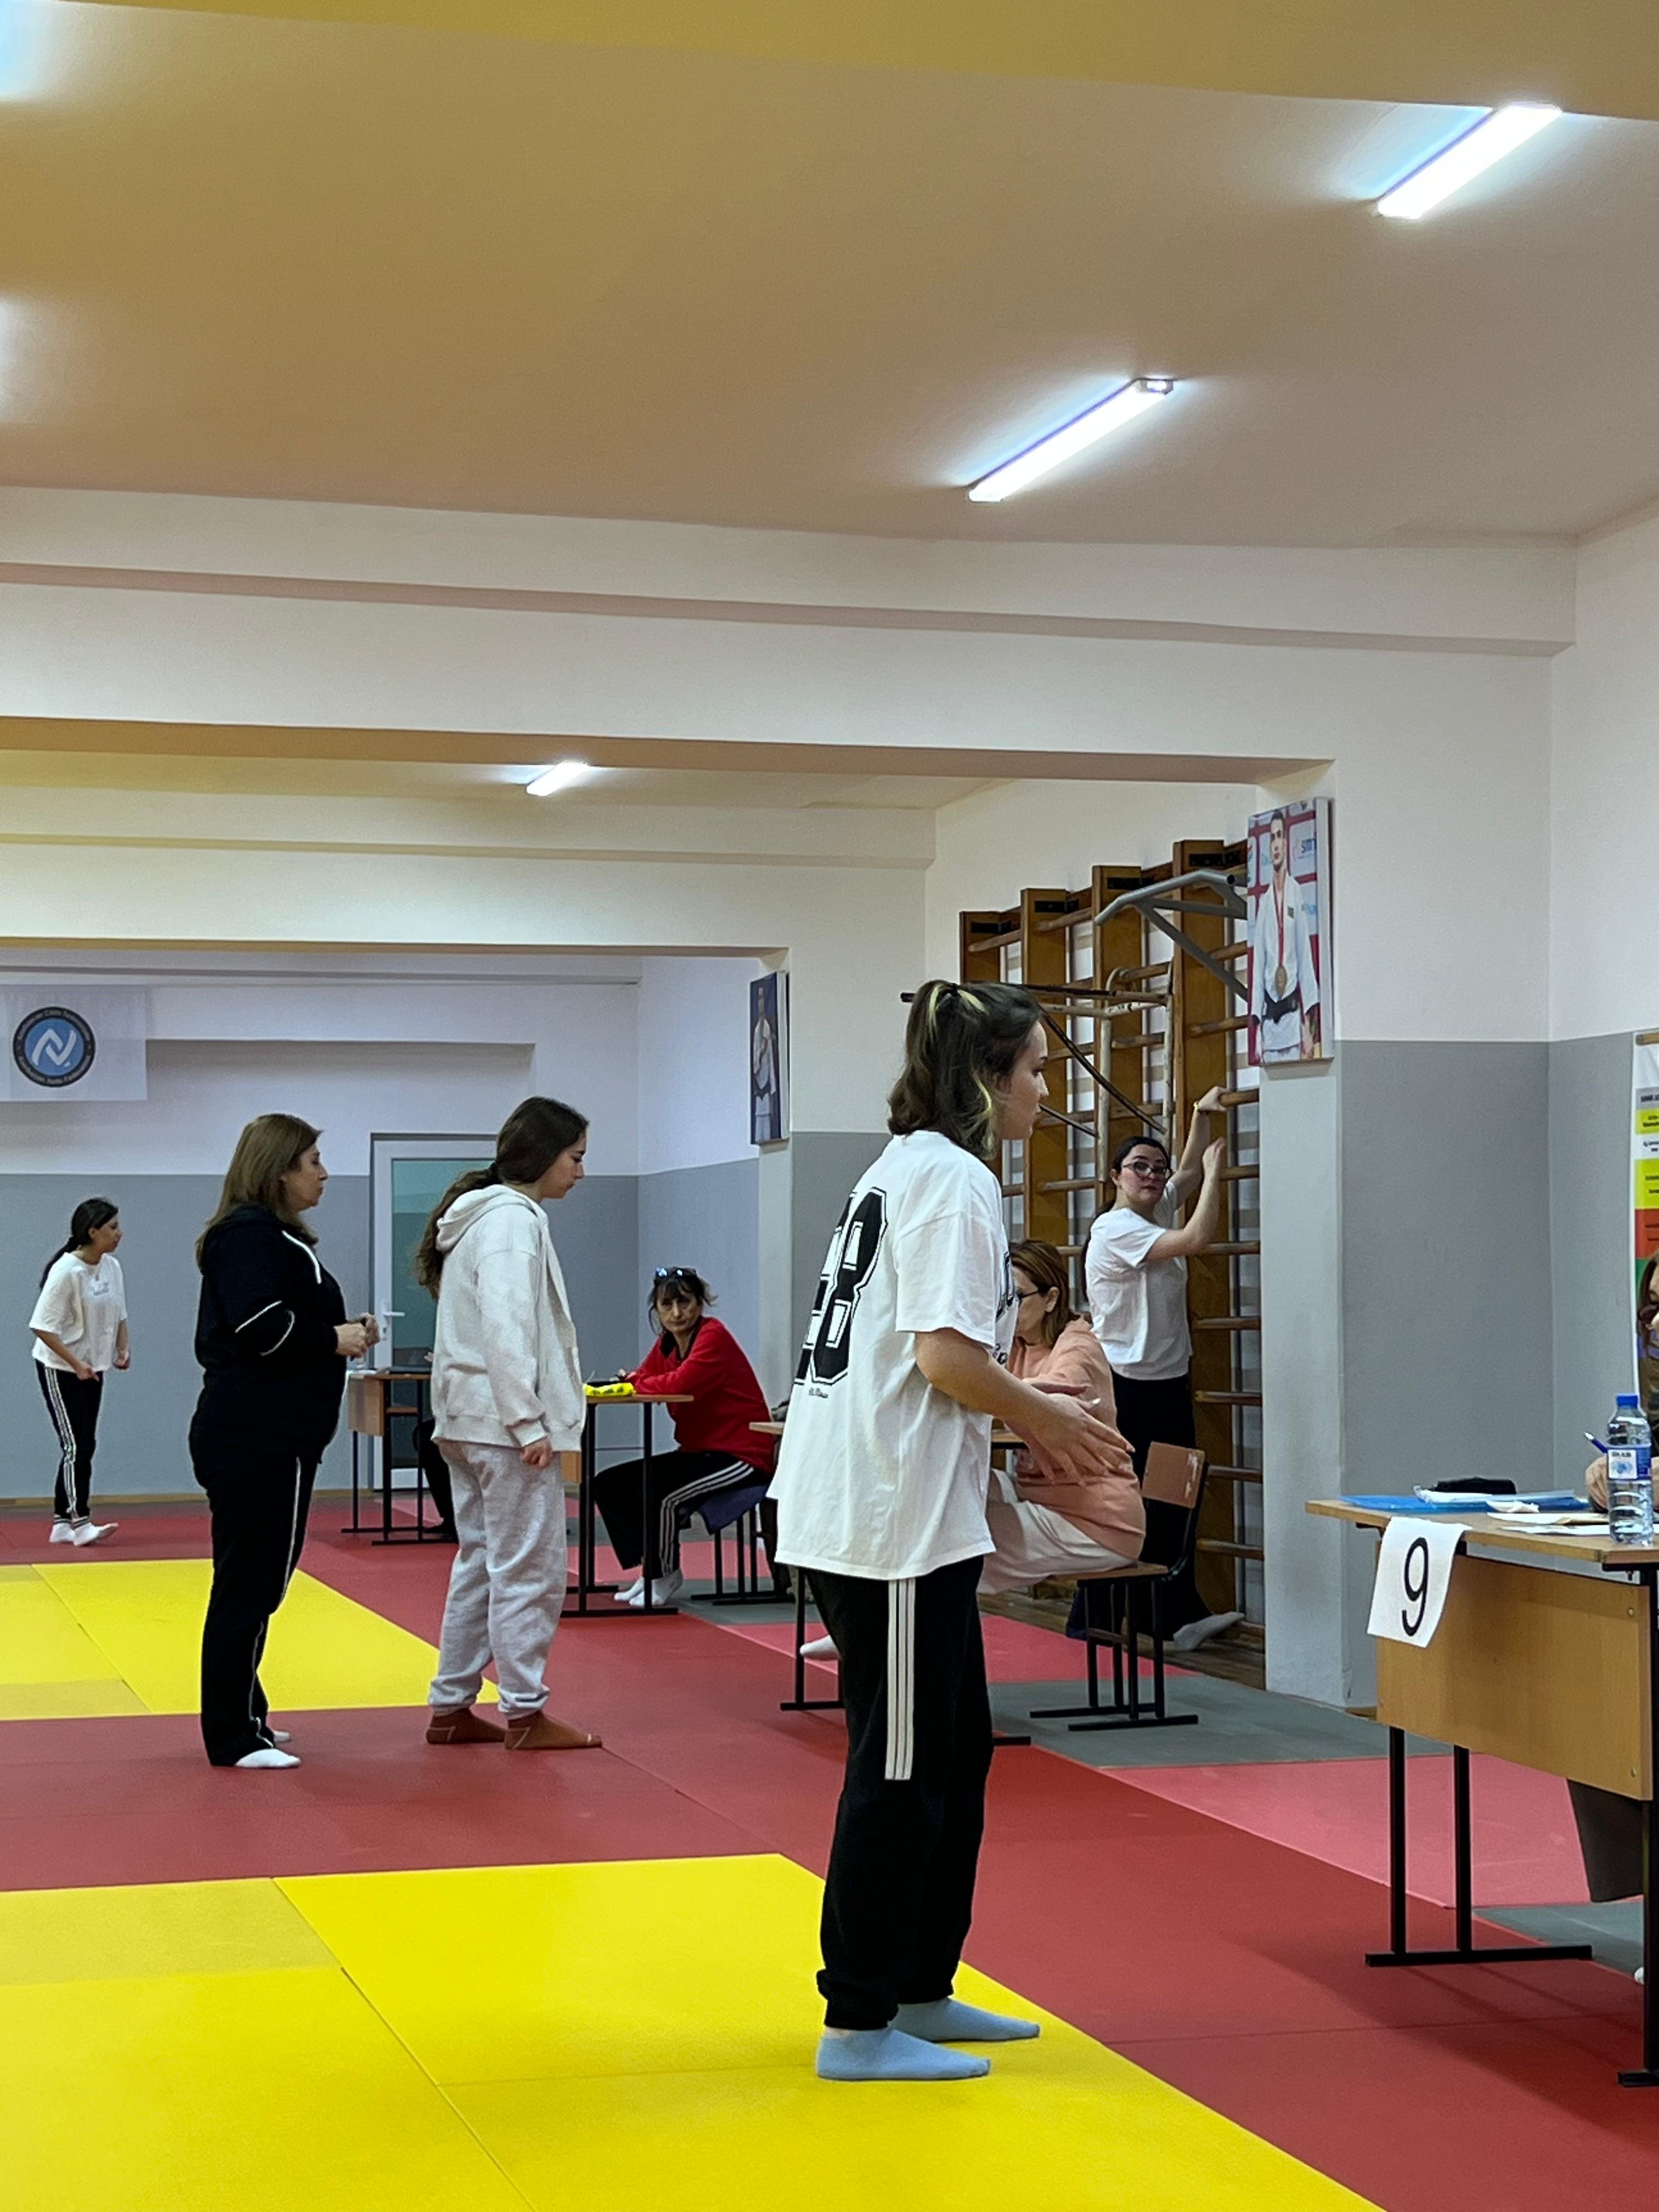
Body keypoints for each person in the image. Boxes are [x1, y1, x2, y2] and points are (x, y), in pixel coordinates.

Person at [771, 978, 1130, 2085]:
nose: (1044, 1091)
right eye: (1035, 1071)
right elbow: (944, 1358)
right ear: (986, 1078)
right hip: (885, 1521)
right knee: (901, 1766)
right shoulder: (955, 1180)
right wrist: (1048, 1418)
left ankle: (921, 1985)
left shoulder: (905, 1169)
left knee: (956, 1749)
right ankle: (858, 2018)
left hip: (898, 1511)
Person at [191, 1116, 377, 1771]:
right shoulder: (247, 1238)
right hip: (256, 1436)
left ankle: (248, 1711)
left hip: (272, 1435)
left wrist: (344, 1332)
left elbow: (282, 1319)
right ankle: (232, 1734)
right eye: (313, 1161)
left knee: (260, 1578)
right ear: (278, 1171)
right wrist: (334, 1338)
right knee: (251, 1582)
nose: (324, 1174)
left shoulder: (273, 1238)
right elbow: (262, 1327)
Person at [417, 1096, 600, 1753]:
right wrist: (528, 1422)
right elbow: (507, 1326)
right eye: (575, 1157)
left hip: (467, 1419)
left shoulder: (480, 1219)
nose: (581, 1172)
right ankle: (524, 1710)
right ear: (544, 1156)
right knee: (530, 1568)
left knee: (481, 1561)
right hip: (501, 1425)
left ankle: (450, 1704)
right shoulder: (511, 1222)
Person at [1084, 1102, 1243, 1652]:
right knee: (1134, 1507)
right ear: (1115, 1176)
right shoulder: (1117, 1230)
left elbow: (1187, 1171)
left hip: (1167, 1384)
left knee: (1176, 1500)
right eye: (1139, 1168)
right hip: (1129, 1390)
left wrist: (1200, 1115)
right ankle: (1105, 1619)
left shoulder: (1153, 1212)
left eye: (1157, 1168)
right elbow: (1195, 1238)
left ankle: (1171, 1618)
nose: (1152, 1177)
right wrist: (1218, 1176)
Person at [594, 1266, 777, 1609]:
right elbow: (644, 1376)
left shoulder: (713, 1336)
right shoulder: (666, 1343)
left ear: (700, 1304)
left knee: (662, 1496)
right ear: (657, 1310)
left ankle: (665, 1573)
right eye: (667, 1305)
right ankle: (650, 1569)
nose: (677, 1313)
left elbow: (679, 1383)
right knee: (609, 1483)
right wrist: (636, 1381)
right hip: (697, 1451)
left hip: (741, 1455)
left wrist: (636, 1383)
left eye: (685, 1303)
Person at [980, 1239, 1143, 1594]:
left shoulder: (1079, 1345)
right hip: (1039, 1495)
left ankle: (913, 1622)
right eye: (999, 1298)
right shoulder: (1016, 1344)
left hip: (1096, 1520)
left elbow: (1053, 1392)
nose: (1004, 1309)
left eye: (1016, 1297)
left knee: (965, 1543)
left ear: (1051, 1299)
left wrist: (987, 1389)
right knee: (953, 1489)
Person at [30, 1197, 129, 1547]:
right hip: (60, 1367)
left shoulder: (112, 1267)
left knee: (85, 1443)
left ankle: (61, 1523)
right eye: (112, 1227)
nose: (119, 1234)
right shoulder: (66, 1272)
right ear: (92, 1232)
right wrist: (75, 1364)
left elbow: (119, 1312)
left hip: (93, 1367)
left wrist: (122, 1349)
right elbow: (42, 1327)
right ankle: (80, 1520)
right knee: (77, 1445)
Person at [1249, 808, 1321, 1063]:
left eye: (1280, 836)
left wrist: (1308, 1028)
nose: (1276, 844)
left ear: (1287, 842)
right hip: (1270, 1024)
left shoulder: (1296, 893)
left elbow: (1304, 958)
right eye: (1272, 838)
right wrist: (1257, 1029)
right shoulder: (1264, 903)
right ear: (1269, 847)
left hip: (1292, 1020)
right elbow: (1258, 966)